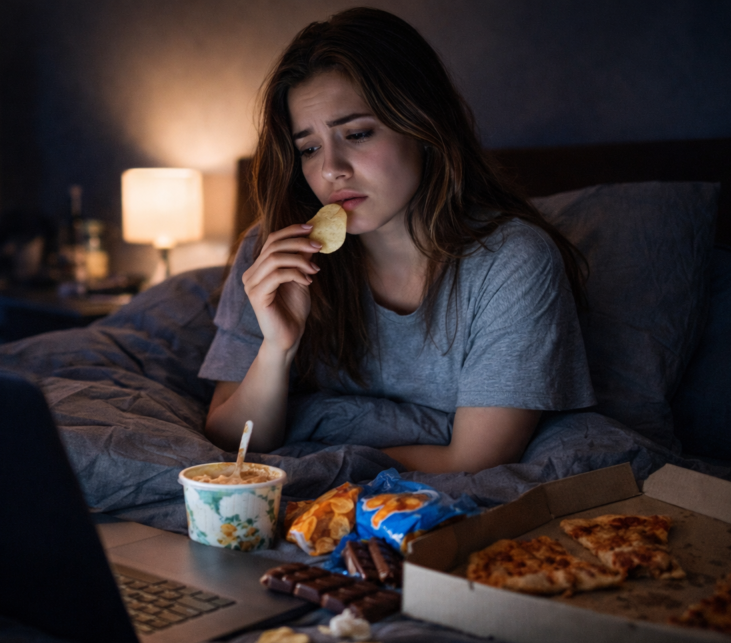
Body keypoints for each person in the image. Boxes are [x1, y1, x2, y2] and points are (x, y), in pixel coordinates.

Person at [198, 7, 595, 473]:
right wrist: (277, 348)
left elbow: (476, 459)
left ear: (423, 127)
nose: (330, 169)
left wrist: (314, 471)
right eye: (308, 148)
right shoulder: (272, 253)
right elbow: (229, 442)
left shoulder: (513, 262)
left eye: (358, 133)